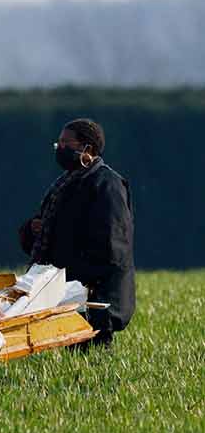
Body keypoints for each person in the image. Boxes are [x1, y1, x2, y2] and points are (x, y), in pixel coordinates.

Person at [17, 118, 135, 344]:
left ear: (87, 148)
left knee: (95, 359)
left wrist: (80, 276)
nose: (60, 148)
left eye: (65, 143)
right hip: (67, 294)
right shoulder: (65, 183)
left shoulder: (108, 184)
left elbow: (113, 245)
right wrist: (34, 230)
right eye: (58, 144)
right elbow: (49, 235)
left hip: (95, 298)